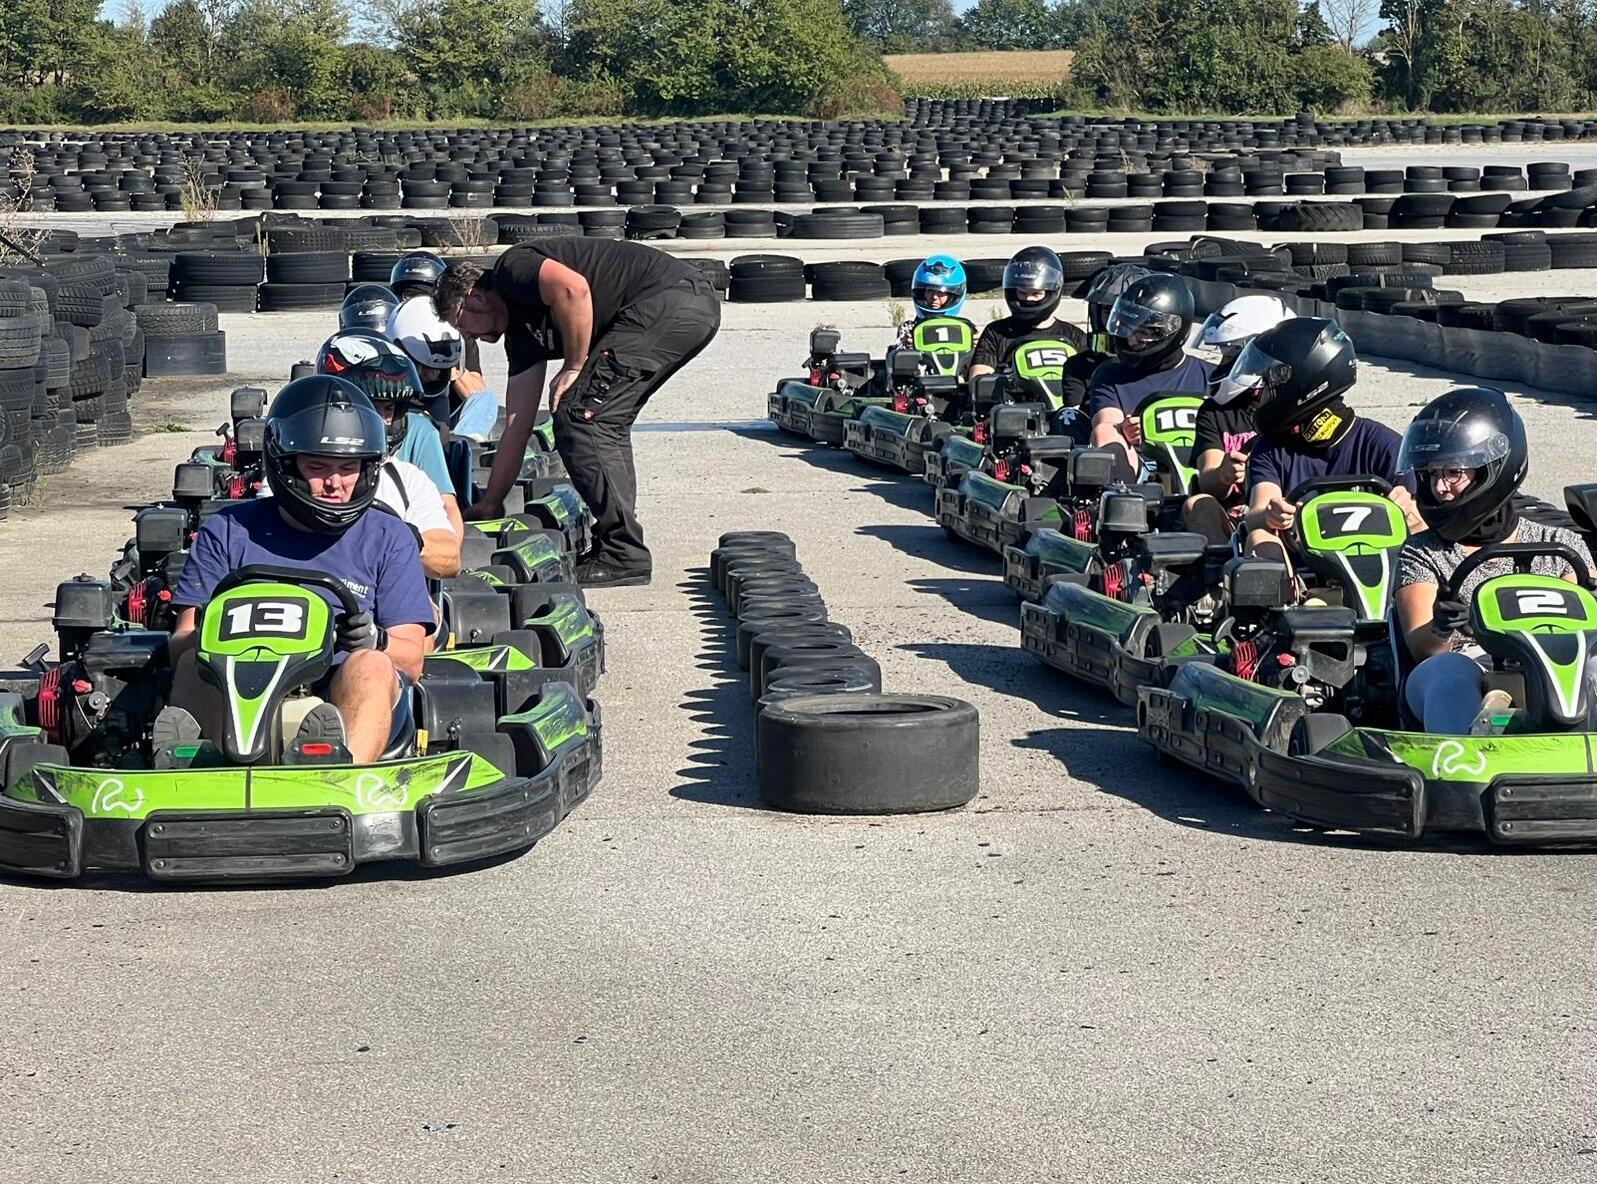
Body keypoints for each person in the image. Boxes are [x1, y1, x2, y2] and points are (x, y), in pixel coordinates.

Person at [157, 376, 435, 765]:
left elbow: (413, 659)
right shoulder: (229, 529)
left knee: (372, 664)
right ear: (286, 465)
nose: (335, 483)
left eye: (348, 467)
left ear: (368, 468)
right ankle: (212, 766)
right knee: (190, 665)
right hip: (239, 679)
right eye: (318, 467)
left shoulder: (389, 537)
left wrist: (375, 639)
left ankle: (340, 772)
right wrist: (211, 635)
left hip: (336, 684)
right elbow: (181, 640)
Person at [434, 239, 722, 587]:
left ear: (475, 297)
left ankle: (623, 554)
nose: (469, 337)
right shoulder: (523, 339)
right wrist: (491, 502)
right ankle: (619, 547)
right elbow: (517, 425)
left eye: (462, 325)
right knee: (599, 421)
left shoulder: (512, 269)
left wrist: (574, 364)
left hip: (667, 302)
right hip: (679, 308)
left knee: (580, 416)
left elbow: (574, 289)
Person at [1394, 387, 1593, 733]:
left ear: (1492, 468)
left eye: (1453, 473)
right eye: (1431, 474)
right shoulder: (1422, 551)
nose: (1440, 488)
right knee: (1449, 675)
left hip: (1554, 670)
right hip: (1467, 662)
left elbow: (1584, 626)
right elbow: (1421, 647)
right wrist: (1442, 627)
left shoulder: (1561, 546)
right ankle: (1464, 766)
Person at [1233, 317, 1422, 570]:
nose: (1257, 395)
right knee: (1260, 537)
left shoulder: (1382, 444)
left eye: (1267, 384)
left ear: (1300, 382)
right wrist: (1270, 514)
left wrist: (1411, 513)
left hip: (1377, 571)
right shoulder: (1271, 449)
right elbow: (1258, 508)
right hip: (1303, 575)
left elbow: (1422, 520)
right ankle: (1287, 604)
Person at [315, 332, 463, 579]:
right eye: (372, 407)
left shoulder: (408, 480)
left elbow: (449, 557)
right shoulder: (295, 474)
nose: (383, 421)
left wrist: (390, 540)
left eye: (389, 409)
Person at [1182, 294, 1297, 543]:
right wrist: (1224, 473)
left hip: (1292, 516)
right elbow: (1208, 478)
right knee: (1198, 504)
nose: (1223, 364)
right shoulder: (1216, 412)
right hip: (1234, 523)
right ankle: (1219, 579)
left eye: (1232, 355)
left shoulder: (1297, 410)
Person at [1087, 273, 1215, 480]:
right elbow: (1107, 421)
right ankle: (1122, 501)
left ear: (1175, 331)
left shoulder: (1209, 376)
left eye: (1144, 331)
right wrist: (1125, 429)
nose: (1131, 340)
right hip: (1143, 468)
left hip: (1203, 467)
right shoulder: (1110, 374)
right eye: (1128, 328)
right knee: (1104, 432)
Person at [387, 296, 501, 444]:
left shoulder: (461, 340)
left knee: (487, 398)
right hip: (401, 426)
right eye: (426, 369)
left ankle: (464, 444)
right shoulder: (382, 380)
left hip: (449, 423)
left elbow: (476, 393)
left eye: (438, 370)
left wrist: (446, 360)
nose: (433, 375)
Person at [970, 246, 1089, 382]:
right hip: (1014, 401)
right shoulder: (996, 332)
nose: (1028, 299)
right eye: (1022, 293)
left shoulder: (1074, 336)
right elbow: (978, 379)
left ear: (1051, 292)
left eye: (1036, 294)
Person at [1064, 262, 1149, 408]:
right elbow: (1074, 422)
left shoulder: (1161, 365)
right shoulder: (1078, 367)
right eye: (1109, 312)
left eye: (1126, 313)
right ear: (1095, 313)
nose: (1116, 323)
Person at [895, 255, 973, 352]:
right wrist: (907, 346)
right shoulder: (908, 328)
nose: (935, 297)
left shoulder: (965, 327)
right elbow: (898, 357)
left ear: (953, 295)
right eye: (930, 291)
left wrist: (978, 344)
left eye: (940, 293)